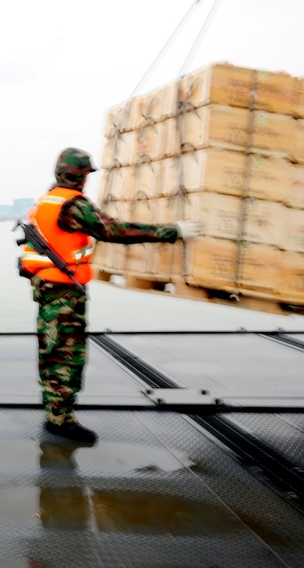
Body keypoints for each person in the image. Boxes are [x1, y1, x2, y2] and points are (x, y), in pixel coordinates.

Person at [19, 147, 202, 446]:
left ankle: (58, 414)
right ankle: (59, 421)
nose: (86, 180)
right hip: (62, 294)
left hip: (51, 288)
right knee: (64, 355)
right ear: (79, 175)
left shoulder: (47, 201)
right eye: (85, 175)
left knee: (53, 351)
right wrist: (172, 231)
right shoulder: (71, 205)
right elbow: (113, 230)